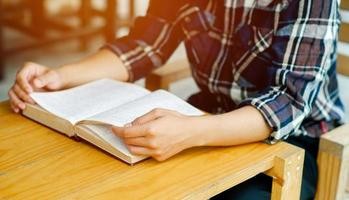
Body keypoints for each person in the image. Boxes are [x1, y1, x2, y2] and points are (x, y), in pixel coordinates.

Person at [8, 0, 344, 199]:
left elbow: (286, 103)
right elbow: (144, 46)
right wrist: (61, 75)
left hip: (294, 141)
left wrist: (191, 132)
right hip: (201, 117)